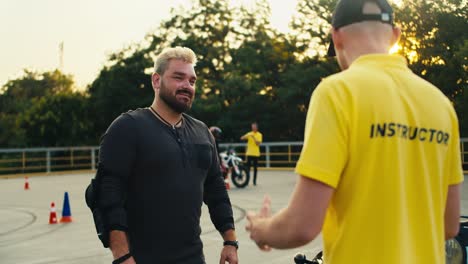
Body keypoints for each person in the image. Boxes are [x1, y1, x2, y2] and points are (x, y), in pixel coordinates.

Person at [245, 0, 463, 263]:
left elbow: (302, 225)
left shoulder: (337, 92)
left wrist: (261, 229)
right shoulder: (440, 104)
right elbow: (449, 226)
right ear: (396, 34)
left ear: (336, 37)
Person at [89, 47, 238, 264]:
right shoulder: (128, 127)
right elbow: (107, 194)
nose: (187, 85)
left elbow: (216, 190)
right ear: (156, 81)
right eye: (178, 77)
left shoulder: (202, 132)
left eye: (192, 81)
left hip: (194, 258)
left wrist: (230, 241)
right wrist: (121, 256)